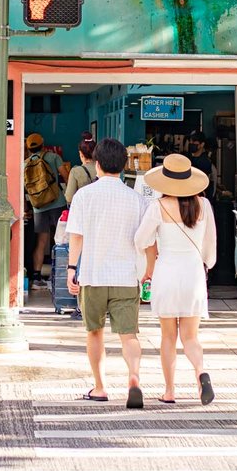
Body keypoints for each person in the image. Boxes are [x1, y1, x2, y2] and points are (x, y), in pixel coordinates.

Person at [66, 137, 146, 409]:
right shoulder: (136, 200)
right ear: (123, 166)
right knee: (129, 335)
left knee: (94, 332)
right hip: (126, 276)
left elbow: (76, 236)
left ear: (97, 164)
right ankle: (133, 378)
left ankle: (100, 387)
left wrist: (72, 268)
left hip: (93, 275)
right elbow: (144, 240)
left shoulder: (84, 196)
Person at [135, 153, 217, 405]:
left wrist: (150, 258)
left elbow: (140, 239)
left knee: (168, 337)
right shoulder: (204, 205)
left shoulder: (158, 207)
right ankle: (201, 372)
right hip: (193, 274)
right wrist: (206, 263)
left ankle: (170, 391)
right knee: (191, 337)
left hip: (167, 274)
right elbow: (210, 244)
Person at [25, 133, 67, 288]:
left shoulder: (25, 163)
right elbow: (66, 176)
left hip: (38, 207)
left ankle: (36, 277)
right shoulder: (54, 157)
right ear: (43, 144)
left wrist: (26, 207)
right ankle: (62, 274)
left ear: (28, 148)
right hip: (57, 203)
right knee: (63, 239)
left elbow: (24, 187)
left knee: (41, 241)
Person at [64, 133, 98, 205]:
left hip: (83, 208)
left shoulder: (76, 171)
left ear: (81, 154)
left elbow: (69, 198)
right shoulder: (103, 168)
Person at [185, 133, 217, 202]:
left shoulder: (206, 162)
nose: (191, 143)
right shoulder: (187, 159)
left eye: (194, 141)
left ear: (202, 144)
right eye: (190, 141)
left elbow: (210, 183)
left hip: (200, 198)